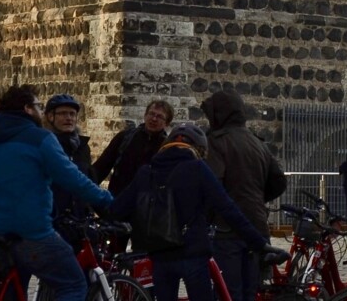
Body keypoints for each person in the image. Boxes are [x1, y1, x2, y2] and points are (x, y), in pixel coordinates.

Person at [109, 123, 278, 301]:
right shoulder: (197, 169)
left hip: (160, 256)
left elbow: (118, 209)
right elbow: (228, 209)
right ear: (198, 148)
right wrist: (260, 244)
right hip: (192, 254)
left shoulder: (146, 172)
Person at [0, 84, 114, 301]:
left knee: (15, 289)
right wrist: (106, 199)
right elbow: (74, 179)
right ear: (27, 109)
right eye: (38, 106)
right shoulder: (40, 138)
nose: (41, 111)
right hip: (31, 229)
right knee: (73, 284)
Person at [201, 89, 288, 301]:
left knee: (228, 292)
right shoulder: (257, 143)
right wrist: (257, 198)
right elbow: (278, 181)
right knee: (250, 291)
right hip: (256, 225)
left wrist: (207, 217)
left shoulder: (216, 142)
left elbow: (213, 186)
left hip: (227, 228)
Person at [43, 94, 95, 246]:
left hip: (78, 221)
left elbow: (89, 180)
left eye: (72, 114)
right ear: (50, 117)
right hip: (52, 219)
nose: (69, 118)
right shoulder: (44, 145)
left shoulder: (81, 147)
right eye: (63, 113)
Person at [92, 99, 175, 195]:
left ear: (167, 123)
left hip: (147, 204)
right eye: (151, 114)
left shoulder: (167, 148)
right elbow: (101, 168)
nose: (154, 119)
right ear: (145, 115)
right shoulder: (125, 138)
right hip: (118, 199)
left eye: (160, 117)